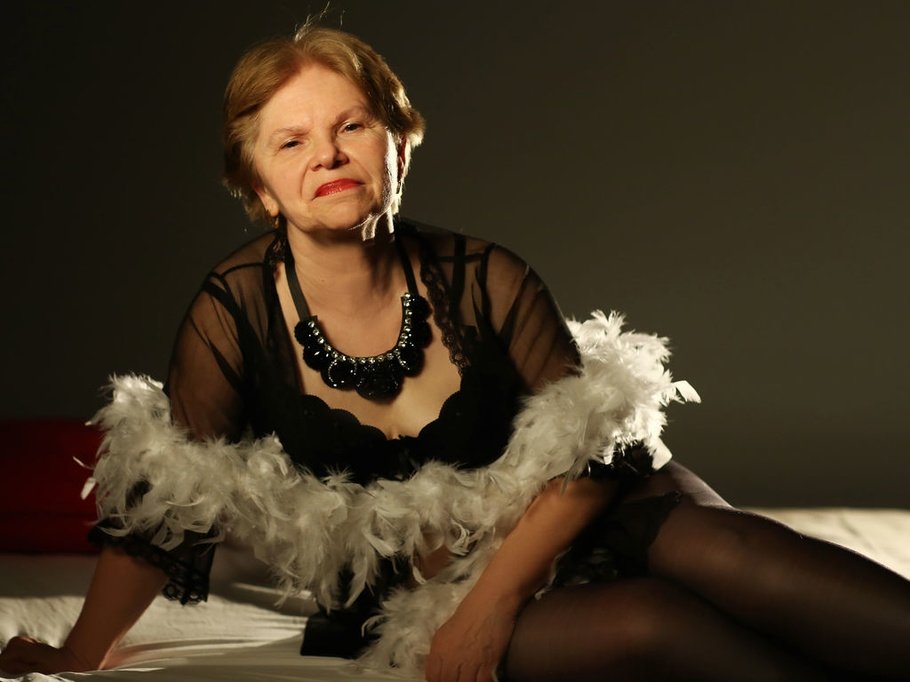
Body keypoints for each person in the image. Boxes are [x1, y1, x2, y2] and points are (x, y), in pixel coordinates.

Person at [2, 23, 909, 682]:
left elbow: (590, 454)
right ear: (261, 187)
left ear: (400, 143)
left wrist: (495, 603)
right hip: (421, 596)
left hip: (585, 518)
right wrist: (79, 653)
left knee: (734, 553)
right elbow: (172, 507)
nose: (328, 155)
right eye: (292, 141)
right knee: (650, 626)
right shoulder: (232, 311)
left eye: (353, 126)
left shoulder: (487, 277)